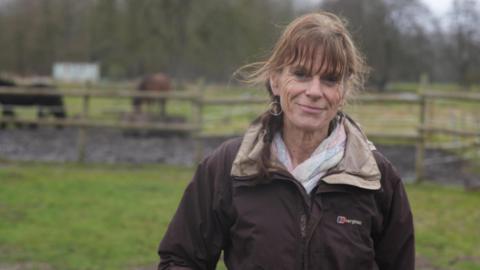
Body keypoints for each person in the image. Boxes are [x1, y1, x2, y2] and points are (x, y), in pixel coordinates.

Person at [158, 11, 414, 270]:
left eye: (330, 79)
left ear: (344, 91)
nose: (314, 91)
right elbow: (179, 260)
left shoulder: (377, 179)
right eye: (301, 74)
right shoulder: (228, 167)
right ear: (276, 80)